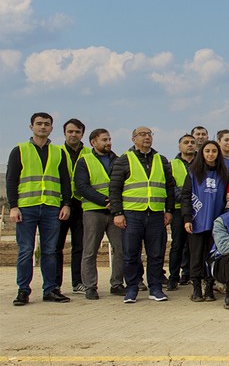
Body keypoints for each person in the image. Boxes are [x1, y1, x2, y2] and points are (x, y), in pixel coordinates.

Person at [8, 112, 72, 306]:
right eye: (39, 123)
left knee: (50, 250)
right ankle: (23, 290)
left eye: (46, 124)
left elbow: (65, 180)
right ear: (31, 127)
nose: (43, 127)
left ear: (51, 128)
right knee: (26, 250)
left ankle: (50, 289)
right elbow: (11, 180)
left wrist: (66, 203)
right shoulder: (20, 150)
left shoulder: (58, 152)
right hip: (26, 208)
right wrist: (13, 206)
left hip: (51, 208)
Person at [108, 126, 176, 304]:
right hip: (132, 214)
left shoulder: (161, 160)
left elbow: (170, 187)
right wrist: (117, 213)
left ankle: (155, 288)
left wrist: (169, 210)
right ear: (133, 139)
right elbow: (114, 188)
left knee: (156, 254)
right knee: (130, 254)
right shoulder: (124, 160)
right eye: (142, 134)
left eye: (149, 134)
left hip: (156, 214)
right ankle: (132, 288)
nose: (147, 137)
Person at [75, 128, 124, 299]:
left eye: (109, 139)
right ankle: (90, 287)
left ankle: (117, 284)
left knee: (120, 249)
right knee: (90, 251)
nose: (108, 142)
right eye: (104, 140)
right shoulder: (84, 161)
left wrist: (115, 205)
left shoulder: (118, 160)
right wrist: (105, 201)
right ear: (93, 142)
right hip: (93, 211)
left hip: (115, 213)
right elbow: (82, 187)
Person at [182, 140, 229, 302]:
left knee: (212, 255)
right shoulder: (193, 173)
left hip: (216, 223)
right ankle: (196, 288)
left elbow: (227, 198)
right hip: (196, 221)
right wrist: (187, 218)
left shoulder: (223, 174)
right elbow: (186, 196)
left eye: (214, 151)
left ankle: (209, 287)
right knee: (196, 256)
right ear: (202, 153)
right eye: (207, 151)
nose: (210, 154)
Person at [57, 118, 90, 293]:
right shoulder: (56, 152)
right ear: (64, 133)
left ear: (82, 134)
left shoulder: (89, 153)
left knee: (80, 246)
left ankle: (78, 282)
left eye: (77, 132)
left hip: (81, 204)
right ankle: (55, 284)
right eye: (70, 131)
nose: (73, 135)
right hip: (59, 204)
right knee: (56, 246)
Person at [166, 134, 195, 290]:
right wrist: (186, 199)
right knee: (177, 245)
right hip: (179, 210)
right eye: (186, 142)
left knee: (195, 245)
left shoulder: (201, 163)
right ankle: (173, 277)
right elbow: (171, 187)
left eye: (192, 142)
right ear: (179, 146)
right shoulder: (172, 165)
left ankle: (190, 274)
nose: (190, 145)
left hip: (198, 210)